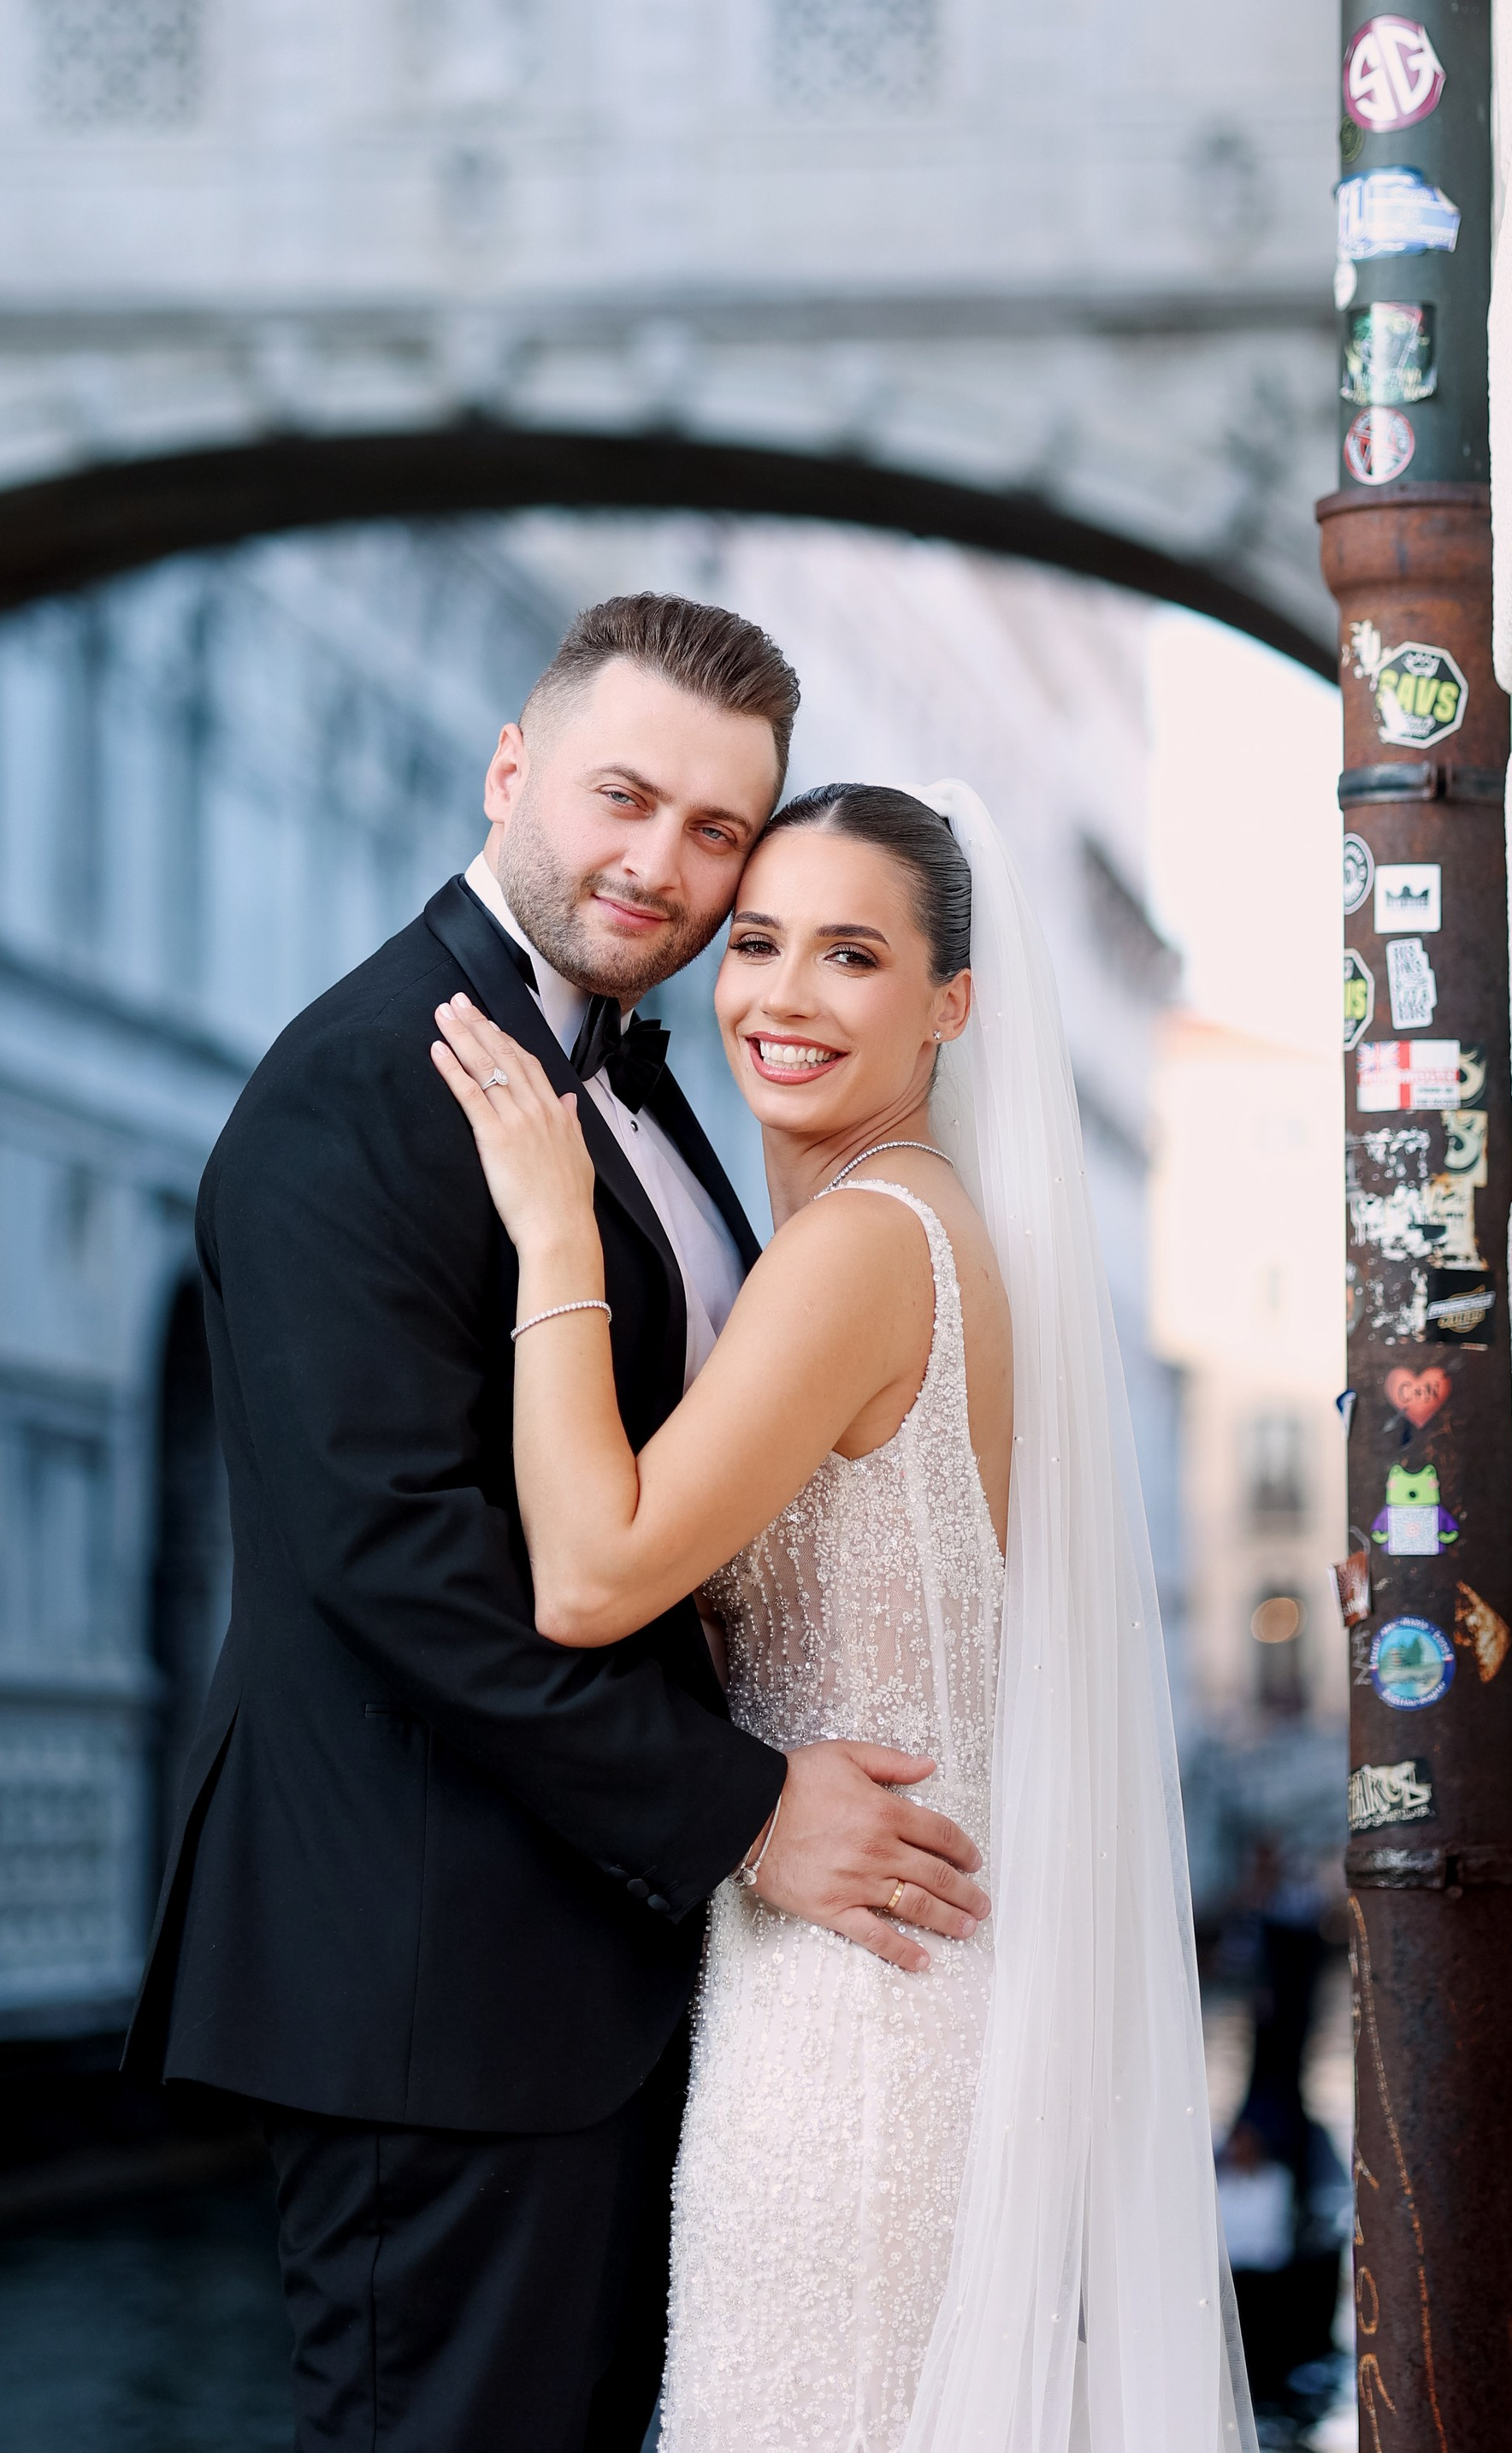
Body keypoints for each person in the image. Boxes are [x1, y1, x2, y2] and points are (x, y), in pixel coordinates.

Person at [121, 598, 990, 2453]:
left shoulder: (654, 1087)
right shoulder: (357, 1092)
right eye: (621, 797)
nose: (657, 864)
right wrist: (743, 1809)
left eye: (712, 833)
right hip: (427, 1983)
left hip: (617, 1975)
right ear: (510, 772)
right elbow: (401, 1572)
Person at [433, 779, 1253, 2451]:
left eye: (850, 955)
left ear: (950, 1002)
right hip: (897, 1976)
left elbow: (594, 1572)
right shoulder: (938, 1236)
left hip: (850, 2019)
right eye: (753, 944)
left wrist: (545, 1234)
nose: (780, 997)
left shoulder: (862, 1248)